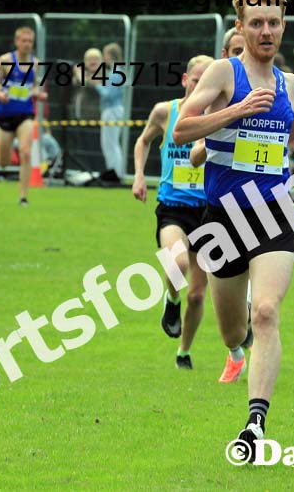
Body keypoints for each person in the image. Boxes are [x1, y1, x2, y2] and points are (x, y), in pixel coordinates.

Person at [172, 0, 294, 461]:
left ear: (283, 26)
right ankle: (237, 351)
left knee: (268, 311)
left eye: (273, 22)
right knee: (234, 329)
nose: (266, 30)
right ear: (240, 27)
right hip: (223, 219)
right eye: (256, 23)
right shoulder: (223, 72)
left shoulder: (290, 84)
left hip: (273, 210)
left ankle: (256, 424)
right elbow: (182, 128)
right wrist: (236, 109)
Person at [132, 55, 223, 370]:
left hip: (208, 210)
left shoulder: (218, 117)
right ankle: (171, 301)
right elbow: (143, 142)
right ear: (186, 80)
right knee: (178, 261)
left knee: (198, 296)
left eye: (208, 81)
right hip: (172, 206)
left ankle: (184, 351)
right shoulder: (165, 112)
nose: (202, 87)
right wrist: (140, 176)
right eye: (197, 80)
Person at [0, 26, 48, 206]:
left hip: (25, 114)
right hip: (5, 114)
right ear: (17, 42)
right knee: (3, 161)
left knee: (26, 152)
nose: (27, 44)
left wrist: (38, 94)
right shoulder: (5, 61)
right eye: (24, 41)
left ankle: (23, 196)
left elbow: (35, 87)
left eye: (30, 41)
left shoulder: (35, 64)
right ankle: (4, 161)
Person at [97, 42, 126, 183]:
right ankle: (114, 172)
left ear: (109, 56)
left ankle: (115, 173)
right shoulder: (116, 72)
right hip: (114, 110)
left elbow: (108, 94)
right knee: (111, 144)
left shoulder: (115, 74)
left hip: (112, 111)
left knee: (111, 144)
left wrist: (96, 85)